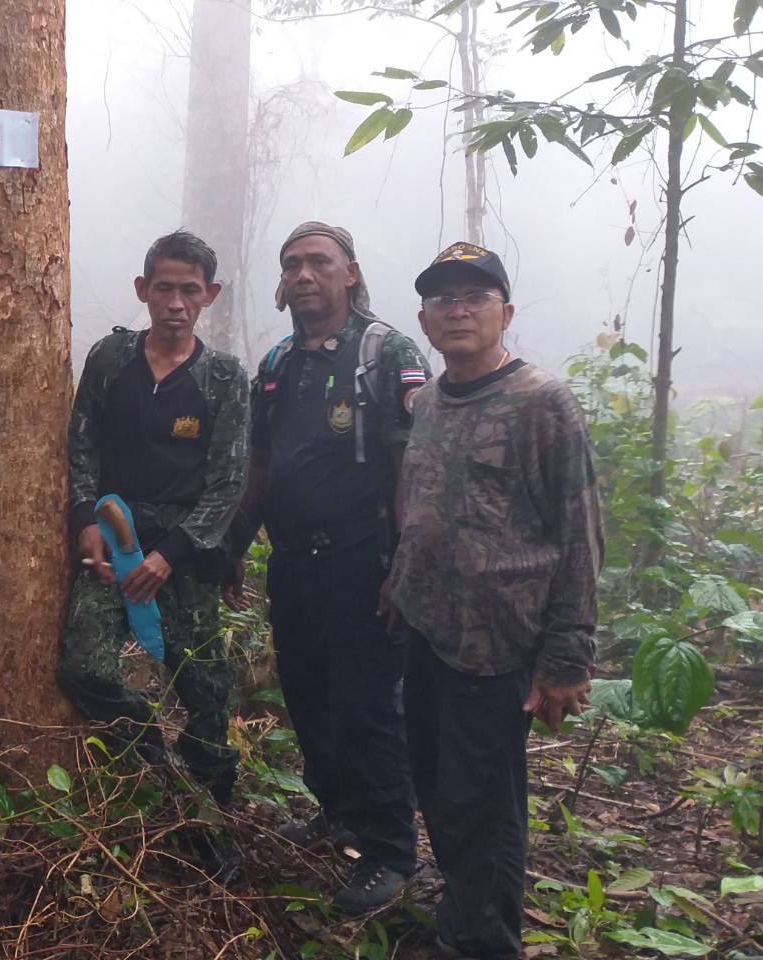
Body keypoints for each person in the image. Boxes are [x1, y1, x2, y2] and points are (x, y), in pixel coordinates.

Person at [391, 241, 601, 959]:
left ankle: (482, 942)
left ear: (505, 313)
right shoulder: (427, 401)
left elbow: (579, 532)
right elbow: (420, 502)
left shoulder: (542, 402)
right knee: (435, 785)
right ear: (425, 319)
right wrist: (399, 584)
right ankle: (462, 909)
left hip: (498, 643)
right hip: (428, 632)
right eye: (442, 299)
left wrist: (567, 657)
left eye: (474, 297)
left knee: (483, 804)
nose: (458, 310)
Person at [223, 222, 428, 913]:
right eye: (292, 265)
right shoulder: (279, 363)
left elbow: (411, 465)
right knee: (309, 697)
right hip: (293, 562)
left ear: (351, 272)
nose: (304, 274)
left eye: (319, 261)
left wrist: (404, 566)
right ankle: (337, 812)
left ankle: (390, 850)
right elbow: (261, 463)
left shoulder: (386, 352)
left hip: (363, 559)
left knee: (367, 704)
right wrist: (234, 544)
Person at [56, 229, 250, 826]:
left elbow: (228, 482)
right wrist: (84, 517)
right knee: (84, 668)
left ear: (210, 294)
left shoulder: (223, 377)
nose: (176, 303)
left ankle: (212, 805)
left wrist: (170, 555)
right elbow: (81, 444)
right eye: (164, 288)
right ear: (142, 290)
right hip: (113, 533)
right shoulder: (111, 359)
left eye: (190, 290)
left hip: (185, 548)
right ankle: (154, 760)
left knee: (205, 687)